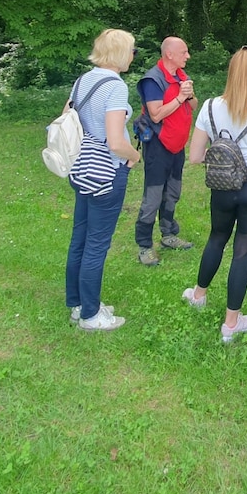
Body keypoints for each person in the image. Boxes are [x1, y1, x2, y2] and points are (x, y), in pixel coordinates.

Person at [183, 48, 247, 342]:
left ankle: (199, 295)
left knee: (217, 237)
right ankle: (231, 324)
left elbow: (194, 156)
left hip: (222, 185)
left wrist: (223, 156)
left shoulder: (209, 107)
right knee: (243, 249)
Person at [65, 29, 142, 332]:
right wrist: (133, 157)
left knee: (80, 238)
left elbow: (68, 119)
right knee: (97, 244)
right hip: (106, 173)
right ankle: (91, 316)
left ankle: (79, 304)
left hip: (81, 169)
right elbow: (114, 140)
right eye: (132, 50)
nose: (134, 55)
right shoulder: (115, 87)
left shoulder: (83, 80)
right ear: (121, 54)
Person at [135, 36, 196, 266]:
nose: (187, 56)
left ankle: (169, 235)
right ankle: (144, 246)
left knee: (172, 192)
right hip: (158, 147)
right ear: (169, 54)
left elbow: (193, 105)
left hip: (177, 147)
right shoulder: (153, 80)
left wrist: (189, 96)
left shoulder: (181, 77)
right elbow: (156, 114)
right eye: (184, 52)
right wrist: (180, 97)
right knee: (153, 197)